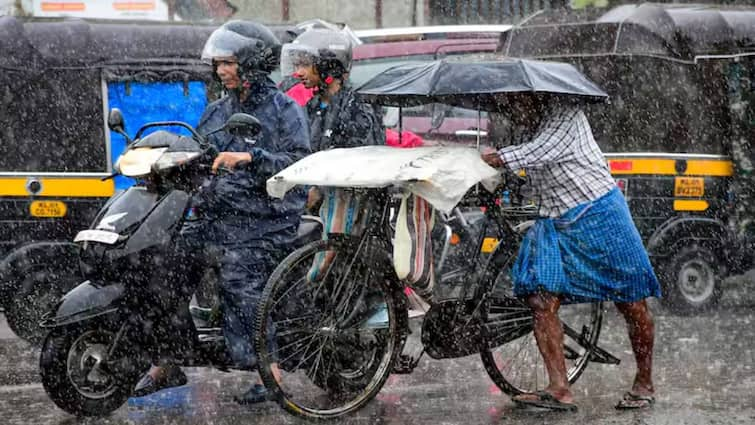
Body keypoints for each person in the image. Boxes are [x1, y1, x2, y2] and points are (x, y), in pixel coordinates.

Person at [132, 20, 311, 405]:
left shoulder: (285, 111)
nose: (221, 70)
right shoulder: (217, 111)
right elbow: (199, 153)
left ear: (252, 63)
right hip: (220, 216)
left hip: (267, 219)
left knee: (238, 275)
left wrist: (252, 157)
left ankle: (271, 372)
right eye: (218, 64)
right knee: (163, 263)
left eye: (228, 63)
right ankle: (168, 359)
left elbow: (300, 163)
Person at [481, 95, 661, 411]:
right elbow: (527, 174)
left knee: (631, 301)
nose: (512, 109)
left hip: (600, 213)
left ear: (535, 97)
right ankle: (559, 388)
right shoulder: (521, 129)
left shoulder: (566, 115)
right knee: (540, 299)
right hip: (554, 220)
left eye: (515, 102)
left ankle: (644, 382)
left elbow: (539, 153)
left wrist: (495, 159)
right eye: (507, 104)